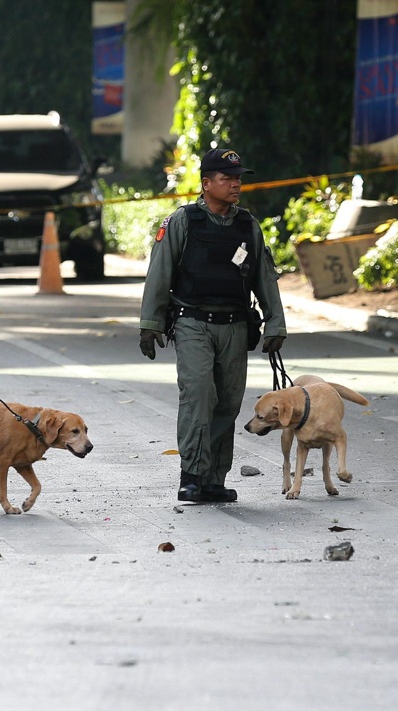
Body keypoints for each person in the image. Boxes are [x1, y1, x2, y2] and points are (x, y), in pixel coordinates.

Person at [138, 148, 286, 503]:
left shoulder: (248, 225)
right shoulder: (182, 222)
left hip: (235, 325)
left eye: (238, 179)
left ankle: (213, 480)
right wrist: (150, 323)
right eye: (227, 178)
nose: (235, 185)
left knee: (228, 403)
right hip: (192, 322)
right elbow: (160, 273)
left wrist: (275, 324)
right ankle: (191, 475)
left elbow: (265, 278)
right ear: (206, 184)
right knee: (199, 395)